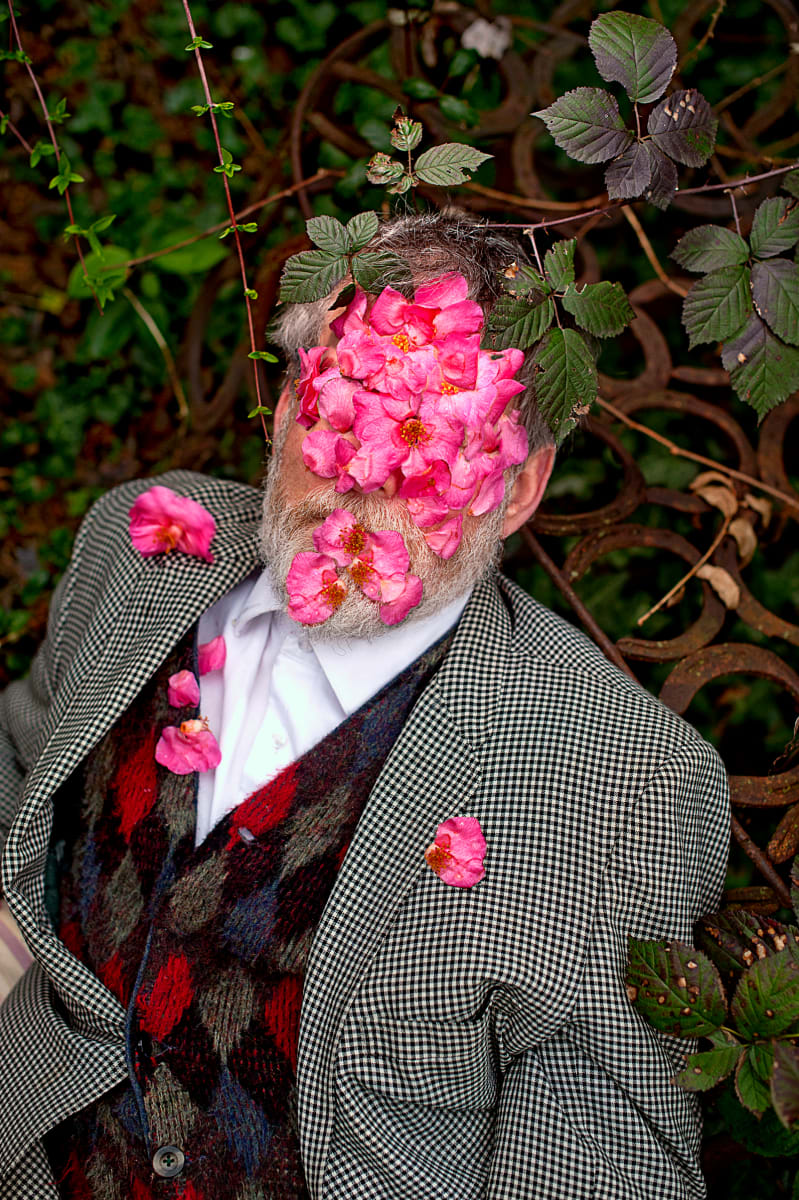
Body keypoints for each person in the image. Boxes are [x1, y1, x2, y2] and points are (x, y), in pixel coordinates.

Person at [0, 213, 730, 1199]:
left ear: (516, 489)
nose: (362, 480)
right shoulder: (139, 557)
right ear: (291, 402)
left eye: (428, 439)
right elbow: (23, 768)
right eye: (343, 409)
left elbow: (598, 1169)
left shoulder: (621, 782)